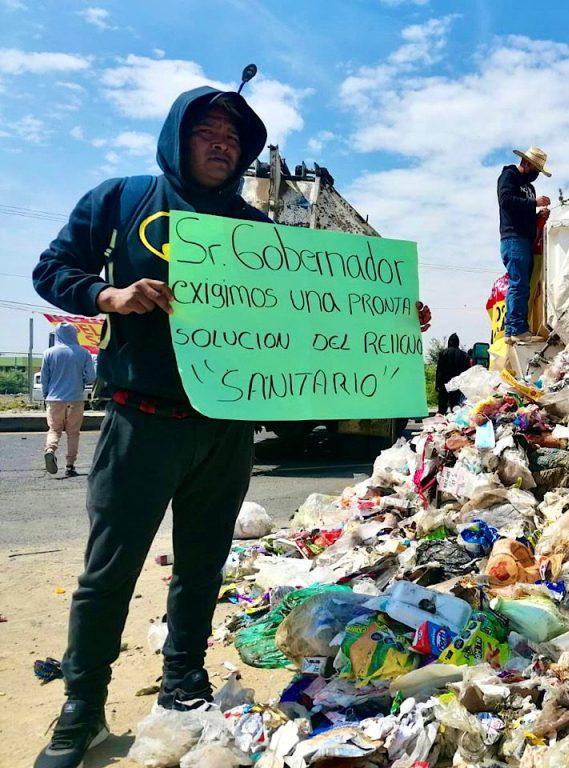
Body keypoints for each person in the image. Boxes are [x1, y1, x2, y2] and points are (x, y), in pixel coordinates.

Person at [31, 84, 432, 768]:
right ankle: (83, 706)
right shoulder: (121, 200)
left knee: (201, 567)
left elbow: (307, 313)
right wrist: (109, 295)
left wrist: (388, 315)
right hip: (141, 420)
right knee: (108, 572)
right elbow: (52, 270)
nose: (221, 144)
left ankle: (183, 682)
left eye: (232, 138)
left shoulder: (257, 231)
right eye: (206, 132)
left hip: (225, 426)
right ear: (176, 137)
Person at [497, 146, 551, 343]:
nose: (536, 174)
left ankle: (516, 328)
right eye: (536, 170)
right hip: (513, 238)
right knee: (519, 283)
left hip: (524, 239)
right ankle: (515, 328)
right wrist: (534, 203)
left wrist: (538, 216)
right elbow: (506, 201)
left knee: (522, 285)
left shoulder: (530, 188)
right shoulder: (509, 176)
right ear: (526, 163)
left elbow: (523, 212)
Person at [41, 322, 96, 477]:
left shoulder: (49, 353)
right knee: (73, 433)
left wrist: (46, 395)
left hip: (54, 399)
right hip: (75, 398)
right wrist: (81, 379)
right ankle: (70, 465)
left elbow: (45, 378)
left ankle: (50, 450)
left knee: (54, 429)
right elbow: (91, 377)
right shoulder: (84, 353)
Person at [435, 333, 470, 412]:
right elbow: (467, 373)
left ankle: (441, 418)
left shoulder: (443, 353)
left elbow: (439, 370)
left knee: (442, 408)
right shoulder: (464, 355)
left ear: (449, 342)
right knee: (455, 408)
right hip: (457, 385)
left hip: (444, 384)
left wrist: (437, 385)